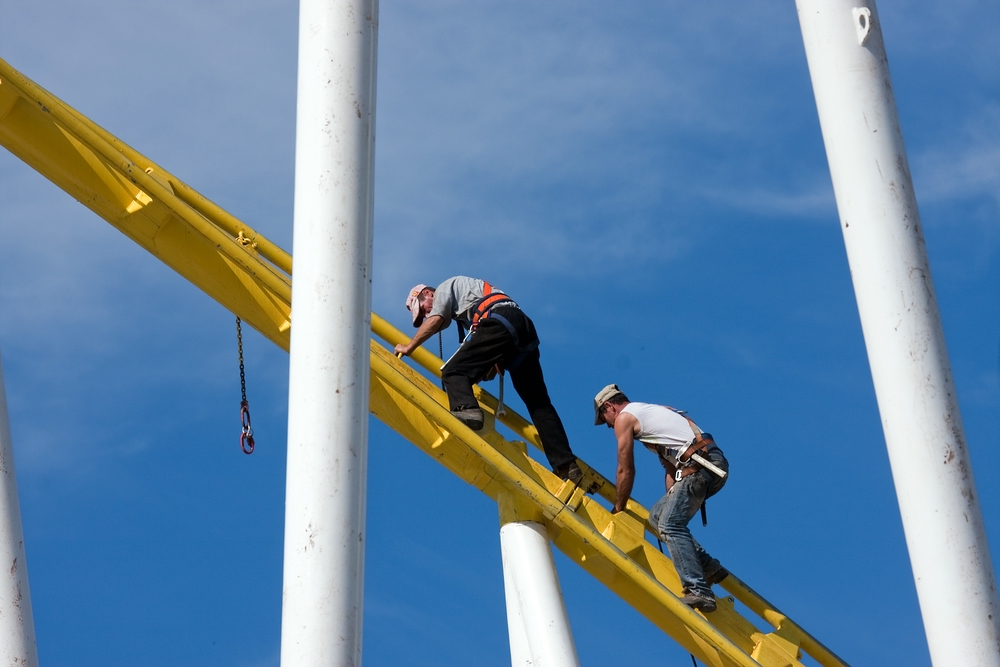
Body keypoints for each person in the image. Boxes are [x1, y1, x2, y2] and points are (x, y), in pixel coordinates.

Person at [395, 277, 582, 483]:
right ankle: (566, 464)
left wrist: (409, 346)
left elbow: (437, 319)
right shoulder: (469, 302)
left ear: (428, 294)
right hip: (520, 328)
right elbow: (486, 359)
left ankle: (467, 411)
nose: (426, 315)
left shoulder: (445, 288)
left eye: (423, 310)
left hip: (501, 320)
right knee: (538, 403)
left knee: (452, 372)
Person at [593, 383, 729, 612]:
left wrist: (619, 506)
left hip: (702, 467)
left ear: (610, 406)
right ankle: (708, 567)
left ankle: (699, 591)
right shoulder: (652, 414)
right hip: (707, 465)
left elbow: (625, 469)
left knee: (669, 524)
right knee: (657, 516)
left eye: (604, 418)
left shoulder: (625, 419)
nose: (608, 426)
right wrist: (673, 501)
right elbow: (671, 470)